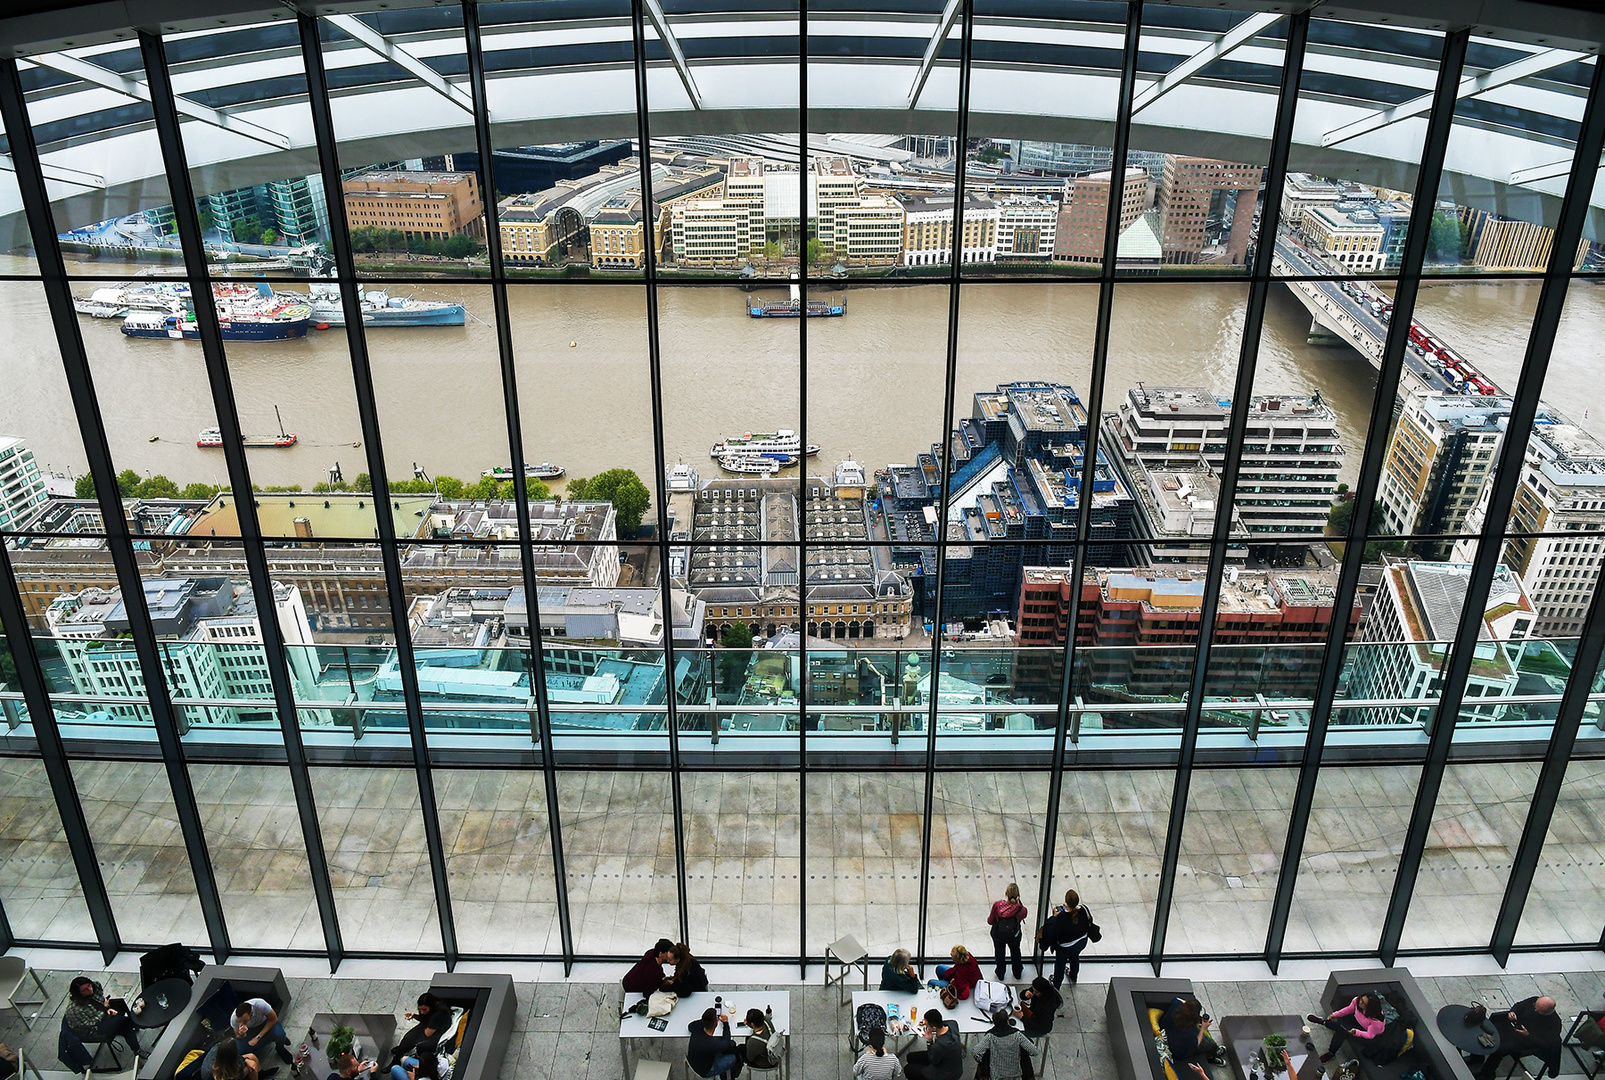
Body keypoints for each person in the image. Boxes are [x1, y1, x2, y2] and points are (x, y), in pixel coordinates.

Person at [64, 976, 147, 1061]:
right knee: (124, 1021)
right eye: (85, 990)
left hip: (101, 1012)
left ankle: (137, 1047)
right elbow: (89, 1024)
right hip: (94, 1028)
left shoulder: (96, 986)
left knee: (124, 1024)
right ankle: (140, 1025)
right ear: (78, 993)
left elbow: (100, 1000)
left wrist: (106, 1008)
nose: (90, 989)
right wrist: (104, 1010)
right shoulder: (74, 1009)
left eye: (89, 985)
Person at [1478, 996, 1563, 1080]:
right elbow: (1519, 1005)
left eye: (1539, 1011)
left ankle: (1487, 1074)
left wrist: (1528, 1035)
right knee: (1485, 1029)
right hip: (1515, 1026)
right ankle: (1477, 1057)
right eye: (1535, 1006)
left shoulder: (1554, 1024)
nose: (1535, 1010)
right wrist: (1513, 1012)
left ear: (1547, 1012)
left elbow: (1546, 1044)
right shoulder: (1534, 1000)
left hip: (1526, 1041)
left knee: (1499, 1049)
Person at [1035, 890, 1094, 989]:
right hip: (1081, 942)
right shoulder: (1083, 910)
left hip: (1065, 948)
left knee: (1060, 965)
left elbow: (1056, 932)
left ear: (1066, 902)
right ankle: (1073, 976)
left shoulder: (1061, 917)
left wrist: (1054, 917)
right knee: (1075, 958)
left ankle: (1056, 985)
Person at [1307, 993, 1384, 1064]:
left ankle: (1323, 1023)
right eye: (1361, 1000)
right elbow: (1349, 1009)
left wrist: (1357, 1032)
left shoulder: (1376, 1021)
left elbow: (1370, 1035)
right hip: (1356, 1021)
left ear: (1370, 1007)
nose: (1360, 1002)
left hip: (1367, 1034)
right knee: (1342, 1030)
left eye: (1364, 1003)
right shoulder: (1357, 1000)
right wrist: (1335, 1014)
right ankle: (1331, 1051)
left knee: (1343, 1029)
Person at [1161, 996, 1225, 1079]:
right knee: (1209, 1044)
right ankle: (1212, 1056)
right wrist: (1203, 1029)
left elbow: (1177, 999)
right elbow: (1196, 1044)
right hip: (1177, 1052)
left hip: (1166, 1032)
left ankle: (1213, 1054)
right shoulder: (1190, 1033)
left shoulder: (1175, 1005)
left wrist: (1188, 1006)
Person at [970, 1012, 1042, 1080]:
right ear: (1008, 1021)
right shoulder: (1017, 1035)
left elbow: (976, 1052)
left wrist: (980, 1060)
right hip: (1015, 1072)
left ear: (994, 1022)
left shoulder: (990, 1037)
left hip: (995, 1074)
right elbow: (1034, 1051)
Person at [391, 993, 451, 1067]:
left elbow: (427, 1033)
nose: (422, 1012)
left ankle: (398, 1056)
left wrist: (420, 1019)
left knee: (410, 1037)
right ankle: (402, 1049)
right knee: (408, 1038)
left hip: (436, 1034)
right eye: (420, 1010)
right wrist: (414, 1016)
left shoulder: (437, 1016)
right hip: (433, 1027)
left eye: (424, 1009)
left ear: (431, 1006)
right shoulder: (437, 1005)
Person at [904, 1009, 962, 1080]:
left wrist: (929, 1041)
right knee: (910, 1057)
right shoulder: (953, 1024)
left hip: (945, 1075)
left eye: (927, 1026)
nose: (926, 1027)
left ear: (934, 1028)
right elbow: (944, 1022)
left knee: (908, 1069)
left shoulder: (939, 1046)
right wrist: (927, 1021)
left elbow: (933, 1061)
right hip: (953, 1064)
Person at [687, 1006, 743, 1080]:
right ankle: (724, 1077)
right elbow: (727, 1042)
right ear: (716, 1024)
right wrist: (726, 1023)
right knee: (734, 1058)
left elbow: (690, 1026)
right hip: (705, 1070)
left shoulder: (697, 1029)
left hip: (693, 1059)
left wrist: (706, 1020)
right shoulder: (713, 1044)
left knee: (723, 1043)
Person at [234, 997, 294, 1065]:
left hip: (265, 1023)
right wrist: (242, 1034)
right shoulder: (234, 1019)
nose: (242, 1023)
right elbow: (238, 1036)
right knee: (239, 1050)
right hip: (250, 1031)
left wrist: (258, 1037)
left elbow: (273, 1019)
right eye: (240, 1021)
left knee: (280, 1034)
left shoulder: (260, 1005)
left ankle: (280, 1048)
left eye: (244, 1020)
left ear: (251, 1012)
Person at [988, 883, 1028, 982]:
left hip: (998, 934)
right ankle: (1017, 972)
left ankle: (1001, 973)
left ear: (1006, 893)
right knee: (1015, 952)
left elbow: (990, 921)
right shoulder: (1022, 910)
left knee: (999, 952)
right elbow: (1023, 916)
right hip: (1014, 935)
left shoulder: (997, 905)